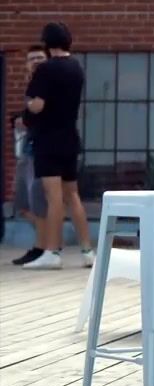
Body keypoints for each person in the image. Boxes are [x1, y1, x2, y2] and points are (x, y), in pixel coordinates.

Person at [22, 22, 94, 270]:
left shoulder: (46, 69)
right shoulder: (76, 67)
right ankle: (87, 251)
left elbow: (37, 106)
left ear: (47, 44)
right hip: (70, 137)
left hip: (48, 139)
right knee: (72, 195)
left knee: (53, 198)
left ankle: (51, 252)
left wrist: (28, 105)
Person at [10, 45, 50, 265]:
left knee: (38, 200)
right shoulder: (32, 85)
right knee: (22, 203)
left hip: (42, 149)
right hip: (27, 147)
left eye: (39, 58)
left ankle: (43, 246)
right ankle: (46, 242)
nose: (35, 62)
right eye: (32, 59)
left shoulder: (48, 84)